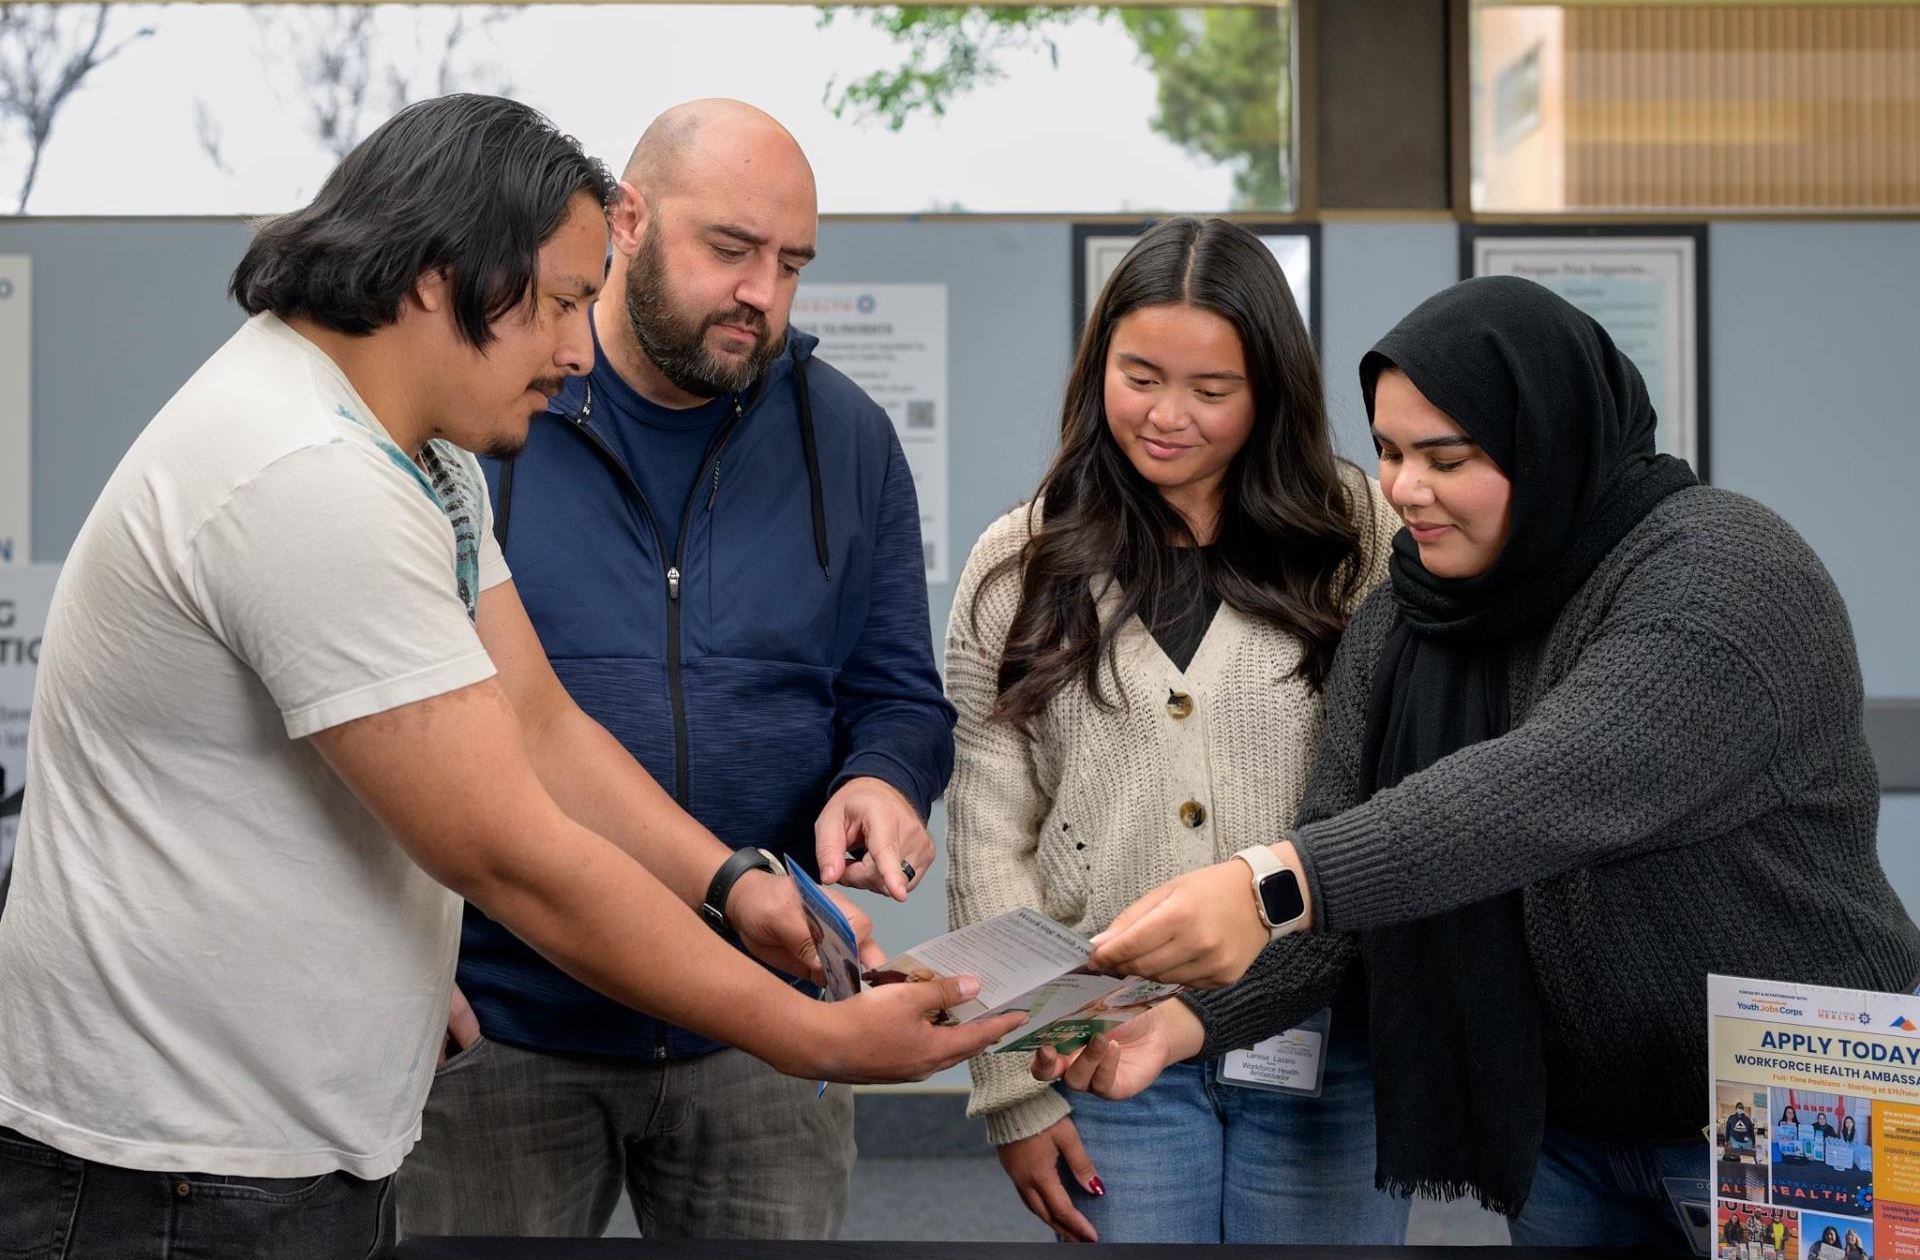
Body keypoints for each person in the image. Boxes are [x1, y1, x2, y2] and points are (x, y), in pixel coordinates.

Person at [0, 94, 1017, 1258]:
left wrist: (733, 882)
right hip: (179, 1158)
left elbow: (540, 724)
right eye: (565, 303)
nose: (579, 351)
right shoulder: (307, 470)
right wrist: (819, 1037)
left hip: (288, 1123)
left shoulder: (426, 456)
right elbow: (509, 852)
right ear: (443, 277)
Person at [1034, 275, 1920, 1246]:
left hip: (1798, 1094)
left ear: (1546, 440)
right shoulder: (1411, 617)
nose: (1404, 488)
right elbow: (1350, 908)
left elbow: (1548, 788)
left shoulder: (1726, 572)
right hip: (1573, 1121)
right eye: (1390, 451)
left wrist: (1269, 883)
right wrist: (1183, 1024)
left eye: (1445, 457)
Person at [399, 99, 955, 1241]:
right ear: (628, 221)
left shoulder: (844, 439)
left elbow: (898, 694)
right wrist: (396, 948)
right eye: (732, 249)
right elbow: (412, 725)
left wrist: (885, 779)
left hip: (762, 1021)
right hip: (506, 1024)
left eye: (791, 263)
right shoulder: (491, 416)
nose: (764, 292)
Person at [944, 217, 1402, 1244]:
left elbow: (1398, 801)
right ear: (1097, 362)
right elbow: (987, 838)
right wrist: (1015, 1087)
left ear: (1270, 389)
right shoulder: (1020, 564)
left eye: (1212, 390)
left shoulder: (1358, 537)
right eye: (1139, 375)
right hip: (1102, 1043)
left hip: (1329, 1040)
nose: (1168, 417)